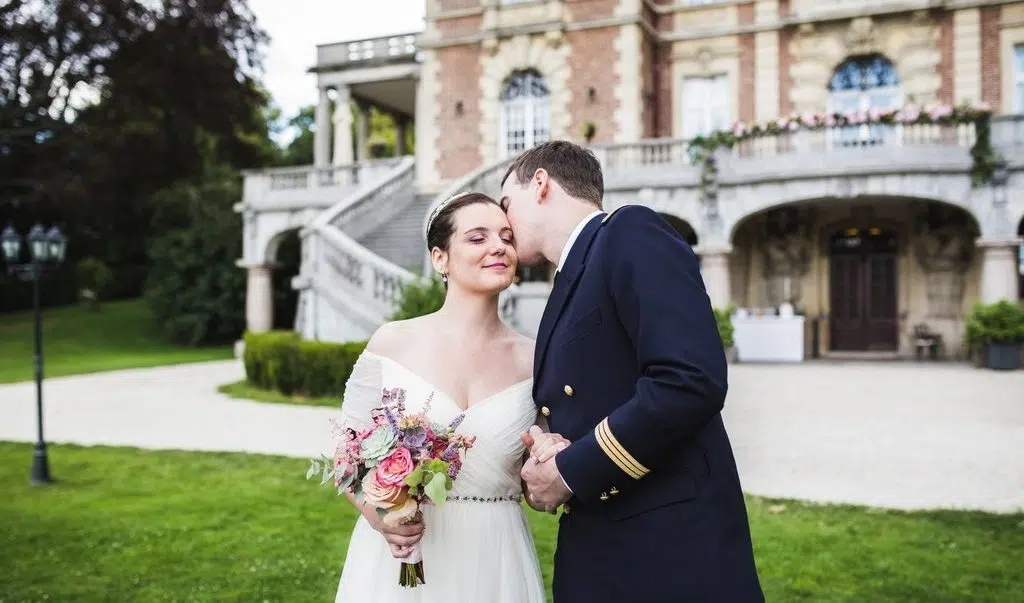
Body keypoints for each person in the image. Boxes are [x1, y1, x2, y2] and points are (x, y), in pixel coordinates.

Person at [501, 141, 764, 603]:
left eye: (507, 205)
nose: (504, 225)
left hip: (668, 552)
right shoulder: (571, 277)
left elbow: (688, 379)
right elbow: (585, 397)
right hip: (607, 548)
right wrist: (549, 445)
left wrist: (570, 471)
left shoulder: (627, 232)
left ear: (540, 184)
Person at [331, 192, 548, 603]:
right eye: (477, 237)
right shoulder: (392, 342)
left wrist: (547, 469)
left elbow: (539, 484)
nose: (498, 246)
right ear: (440, 258)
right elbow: (346, 455)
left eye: (506, 237)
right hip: (402, 561)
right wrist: (381, 518)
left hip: (495, 557)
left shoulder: (536, 359)